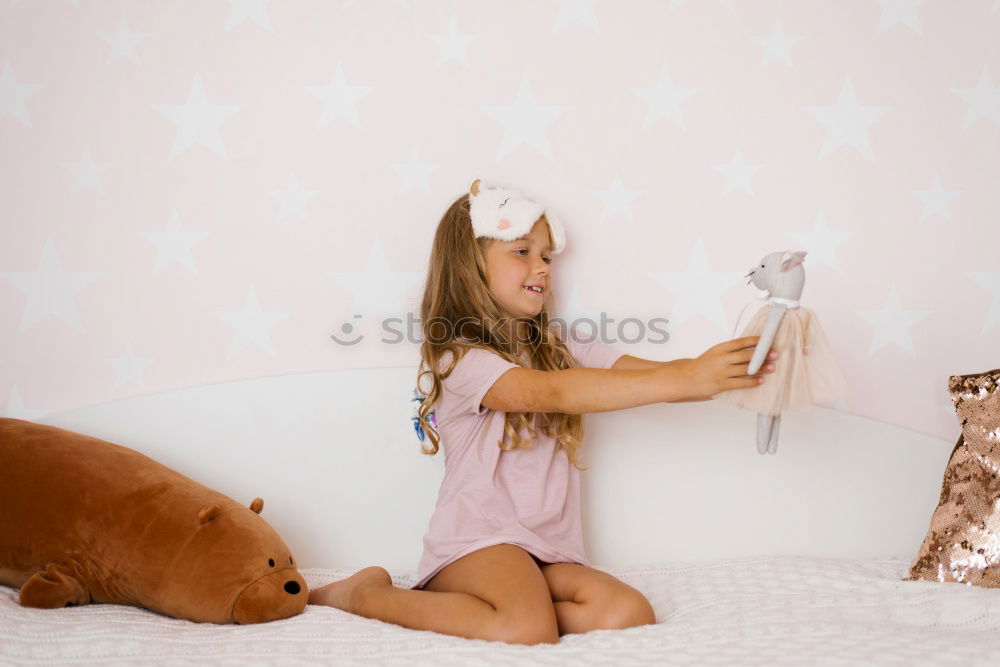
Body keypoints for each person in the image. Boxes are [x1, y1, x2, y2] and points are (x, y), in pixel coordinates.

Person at [307, 179, 779, 645]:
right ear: (471, 266)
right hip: (481, 541)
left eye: (547, 256)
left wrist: (729, 371)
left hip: (547, 549)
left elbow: (657, 377)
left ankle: (496, 609)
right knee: (525, 629)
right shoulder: (460, 358)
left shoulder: (562, 345)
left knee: (627, 612)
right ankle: (364, 596)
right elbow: (548, 393)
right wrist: (686, 378)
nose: (542, 267)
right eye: (522, 252)